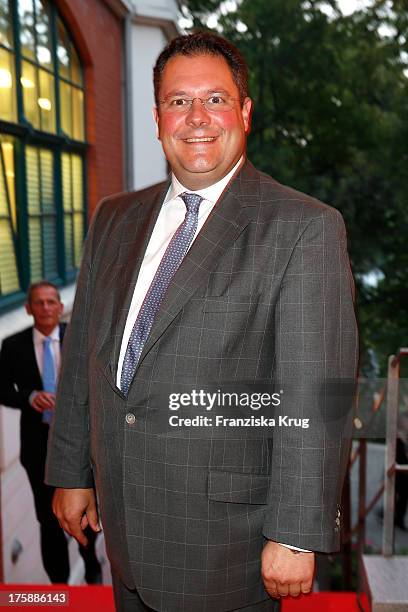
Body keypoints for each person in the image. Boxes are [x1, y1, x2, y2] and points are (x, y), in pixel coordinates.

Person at [46, 32, 358, 611]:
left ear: (244, 112)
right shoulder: (113, 217)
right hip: (126, 534)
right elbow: (87, 349)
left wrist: (294, 531)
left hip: (227, 551)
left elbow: (316, 394)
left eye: (215, 99)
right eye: (178, 101)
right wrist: (72, 469)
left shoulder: (303, 228)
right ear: (157, 116)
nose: (196, 118)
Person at [0, 281, 102, 584]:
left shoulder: (81, 338)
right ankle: (59, 588)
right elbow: (2, 389)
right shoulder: (13, 345)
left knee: (83, 512)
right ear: (29, 309)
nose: (46, 308)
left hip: (80, 444)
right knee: (47, 519)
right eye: (39, 303)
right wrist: (29, 397)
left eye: (51, 302)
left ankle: (91, 566)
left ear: (60, 306)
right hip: (37, 447)